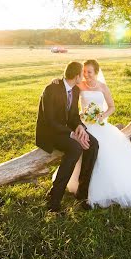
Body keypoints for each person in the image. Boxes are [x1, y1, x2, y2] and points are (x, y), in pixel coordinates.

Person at [63, 59, 131, 208]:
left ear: (96, 72)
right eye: (84, 72)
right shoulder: (79, 86)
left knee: (108, 153)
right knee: (86, 150)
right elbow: (66, 86)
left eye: (89, 72)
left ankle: (104, 190)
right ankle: (81, 188)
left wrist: (103, 115)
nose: (86, 75)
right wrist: (57, 82)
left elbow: (112, 106)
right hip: (85, 125)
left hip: (101, 124)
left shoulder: (103, 87)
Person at [36, 61, 99, 212]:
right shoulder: (51, 89)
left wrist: (80, 128)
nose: (83, 77)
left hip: (66, 129)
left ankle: (82, 192)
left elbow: (72, 116)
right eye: (81, 74)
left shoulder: (75, 90)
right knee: (75, 148)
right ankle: (54, 198)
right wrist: (72, 134)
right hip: (50, 132)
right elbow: (50, 121)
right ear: (76, 76)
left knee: (93, 144)